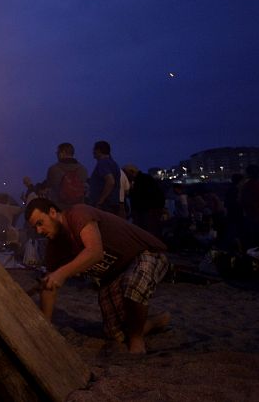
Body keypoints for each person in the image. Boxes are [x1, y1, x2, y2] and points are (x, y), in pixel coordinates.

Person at [24, 198, 170, 354]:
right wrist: (45, 326)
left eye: (40, 223)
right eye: (35, 228)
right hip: (115, 273)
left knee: (132, 286)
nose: (39, 231)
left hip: (146, 253)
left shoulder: (77, 214)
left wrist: (61, 273)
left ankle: (136, 339)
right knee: (115, 334)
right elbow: (49, 285)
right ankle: (153, 323)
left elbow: (95, 252)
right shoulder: (54, 247)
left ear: (53, 212)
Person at [122, 165, 165, 237]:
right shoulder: (145, 178)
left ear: (131, 172)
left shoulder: (140, 181)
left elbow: (140, 197)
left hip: (147, 211)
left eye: (126, 174)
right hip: (151, 209)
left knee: (148, 231)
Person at [44, 143, 88, 210]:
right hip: (79, 209)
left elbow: (49, 190)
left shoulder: (53, 169)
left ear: (63, 153)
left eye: (57, 152)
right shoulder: (83, 169)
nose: (57, 154)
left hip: (59, 209)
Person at [88, 140, 122, 216]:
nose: (93, 152)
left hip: (105, 205)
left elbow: (110, 181)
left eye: (94, 149)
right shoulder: (113, 163)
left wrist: (100, 201)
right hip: (112, 203)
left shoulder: (102, 163)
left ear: (99, 150)